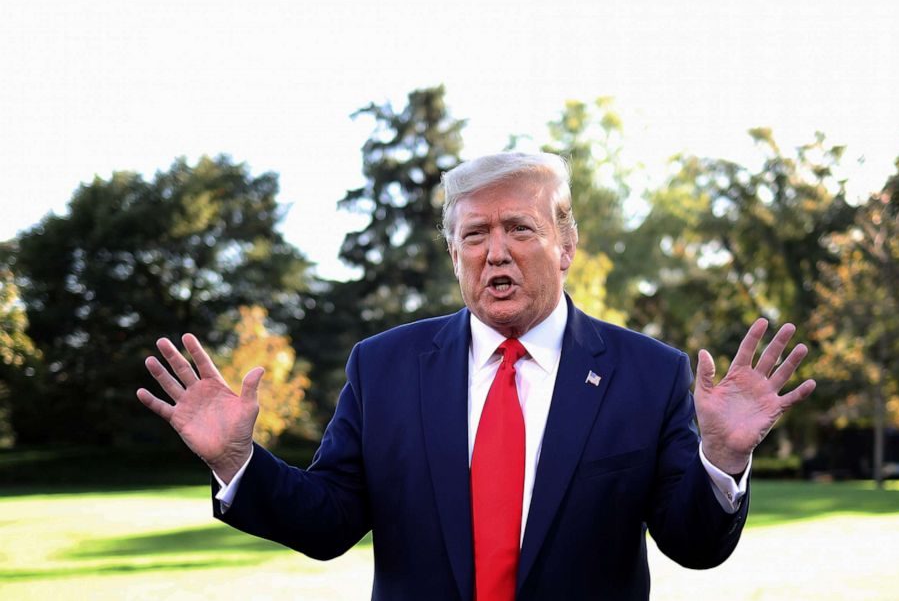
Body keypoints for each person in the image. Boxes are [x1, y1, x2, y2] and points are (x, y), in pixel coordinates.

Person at [137, 152, 815, 600]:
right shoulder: (384, 366)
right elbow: (330, 521)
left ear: (567, 245)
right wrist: (236, 458)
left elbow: (692, 544)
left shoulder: (648, 373)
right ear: (453, 251)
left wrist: (722, 457)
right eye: (473, 234)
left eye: (520, 229)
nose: (496, 252)